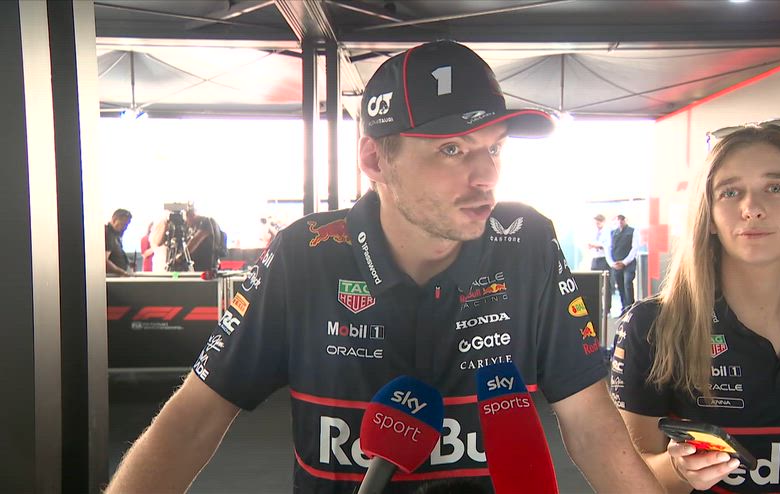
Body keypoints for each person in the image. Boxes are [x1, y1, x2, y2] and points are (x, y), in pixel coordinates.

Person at [106, 40, 662, 494]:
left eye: (493, 148)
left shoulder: (527, 242)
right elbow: (193, 419)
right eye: (452, 149)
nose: (486, 176)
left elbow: (591, 423)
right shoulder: (305, 254)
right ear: (375, 158)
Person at [611, 126, 780, 493]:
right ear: (709, 216)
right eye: (730, 192)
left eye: (776, 188)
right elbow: (628, 479)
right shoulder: (651, 326)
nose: (752, 209)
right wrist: (678, 469)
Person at [606, 214, 640, 313]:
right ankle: (624, 308)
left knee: (627, 283)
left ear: (626, 220)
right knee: (620, 285)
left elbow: (635, 248)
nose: (620, 221)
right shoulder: (612, 233)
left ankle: (630, 308)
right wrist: (612, 263)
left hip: (628, 264)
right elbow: (608, 248)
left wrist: (624, 262)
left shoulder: (632, 231)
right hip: (616, 264)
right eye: (618, 219)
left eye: (622, 219)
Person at [105, 208, 132, 277]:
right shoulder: (108, 234)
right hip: (112, 277)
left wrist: (128, 262)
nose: (125, 228)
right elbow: (104, 261)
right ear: (114, 220)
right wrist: (121, 272)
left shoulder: (115, 235)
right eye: (123, 224)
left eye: (127, 225)